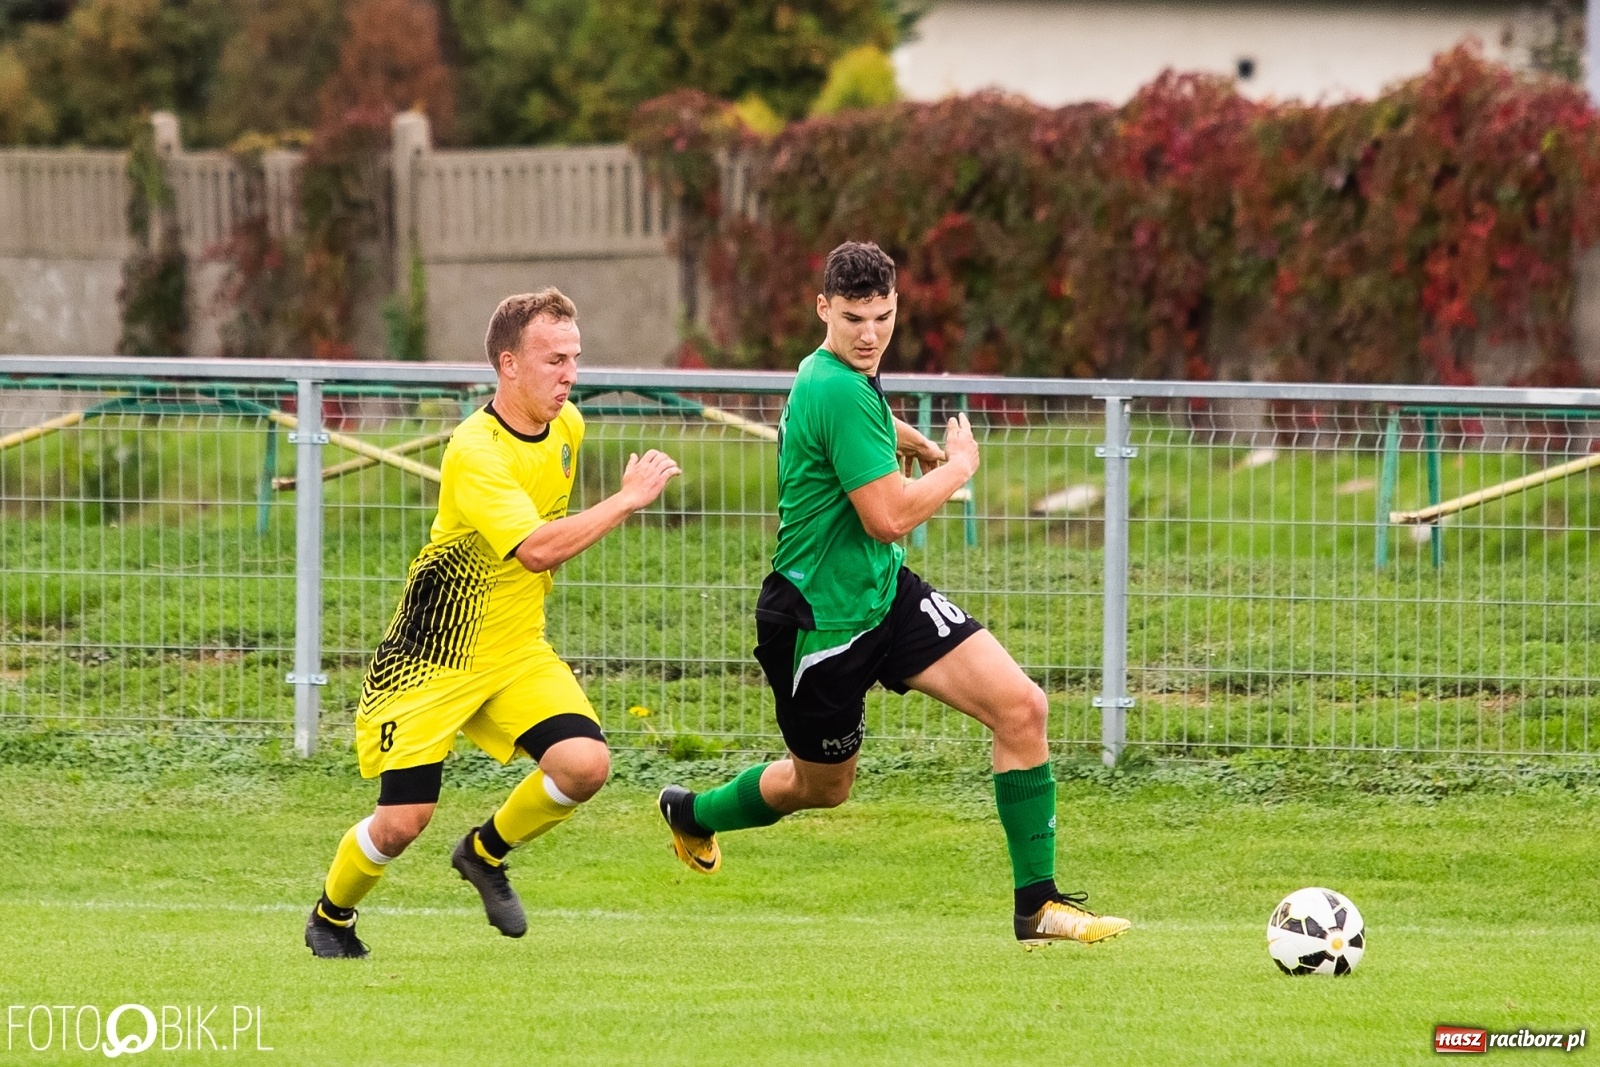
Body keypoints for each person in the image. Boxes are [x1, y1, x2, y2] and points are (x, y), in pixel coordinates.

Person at [658, 242, 1129, 946]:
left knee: (1022, 706)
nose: (871, 334)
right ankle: (693, 812)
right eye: (853, 318)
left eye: (882, 316)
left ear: (895, 305)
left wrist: (907, 438)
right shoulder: (836, 384)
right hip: (820, 625)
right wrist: (959, 464)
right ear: (824, 310)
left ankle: (1037, 906)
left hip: (885, 594)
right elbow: (890, 515)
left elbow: (862, 435)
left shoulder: (835, 372)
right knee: (821, 787)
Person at [305, 288, 681, 958]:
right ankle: (331, 916)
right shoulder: (475, 450)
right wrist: (625, 501)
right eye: (552, 359)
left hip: (514, 649)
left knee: (585, 764)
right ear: (508, 364)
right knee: (401, 822)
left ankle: (483, 852)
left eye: (575, 358)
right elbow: (536, 546)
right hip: (433, 656)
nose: (568, 374)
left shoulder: (567, 428)